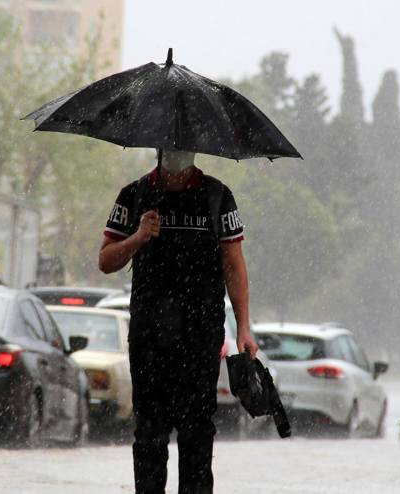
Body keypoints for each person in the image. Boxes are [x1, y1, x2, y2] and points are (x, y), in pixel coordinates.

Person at [98, 150, 258, 494]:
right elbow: (106, 260)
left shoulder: (218, 196)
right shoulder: (135, 194)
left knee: (198, 434)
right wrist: (138, 237)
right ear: (158, 148)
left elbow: (234, 264)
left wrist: (243, 326)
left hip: (201, 337)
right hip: (149, 337)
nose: (177, 152)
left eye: (185, 144)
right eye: (171, 144)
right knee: (149, 435)